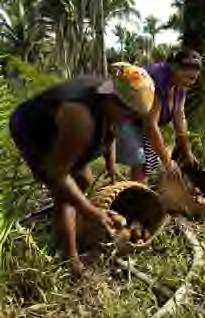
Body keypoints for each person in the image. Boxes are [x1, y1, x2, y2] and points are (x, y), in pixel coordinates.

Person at [9, 63, 155, 274]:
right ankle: (70, 260)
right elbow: (58, 175)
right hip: (32, 130)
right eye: (131, 114)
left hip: (63, 127)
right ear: (114, 100)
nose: (132, 120)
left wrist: (111, 166)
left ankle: (70, 224)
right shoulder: (80, 117)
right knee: (64, 193)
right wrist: (90, 211)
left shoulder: (111, 96)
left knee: (83, 181)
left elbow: (110, 132)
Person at [116, 49, 202, 183]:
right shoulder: (158, 80)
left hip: (145, 123)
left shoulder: (180, 84)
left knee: (147, 167)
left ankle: (138, 193)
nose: (190, 83)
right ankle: (135, 198)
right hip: (127, 117)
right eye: (188, 77)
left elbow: (179, 115)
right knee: (140, 163)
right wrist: (168, 162)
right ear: (174, 67)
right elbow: (150, 125)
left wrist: (187, 152)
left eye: (193, 79)